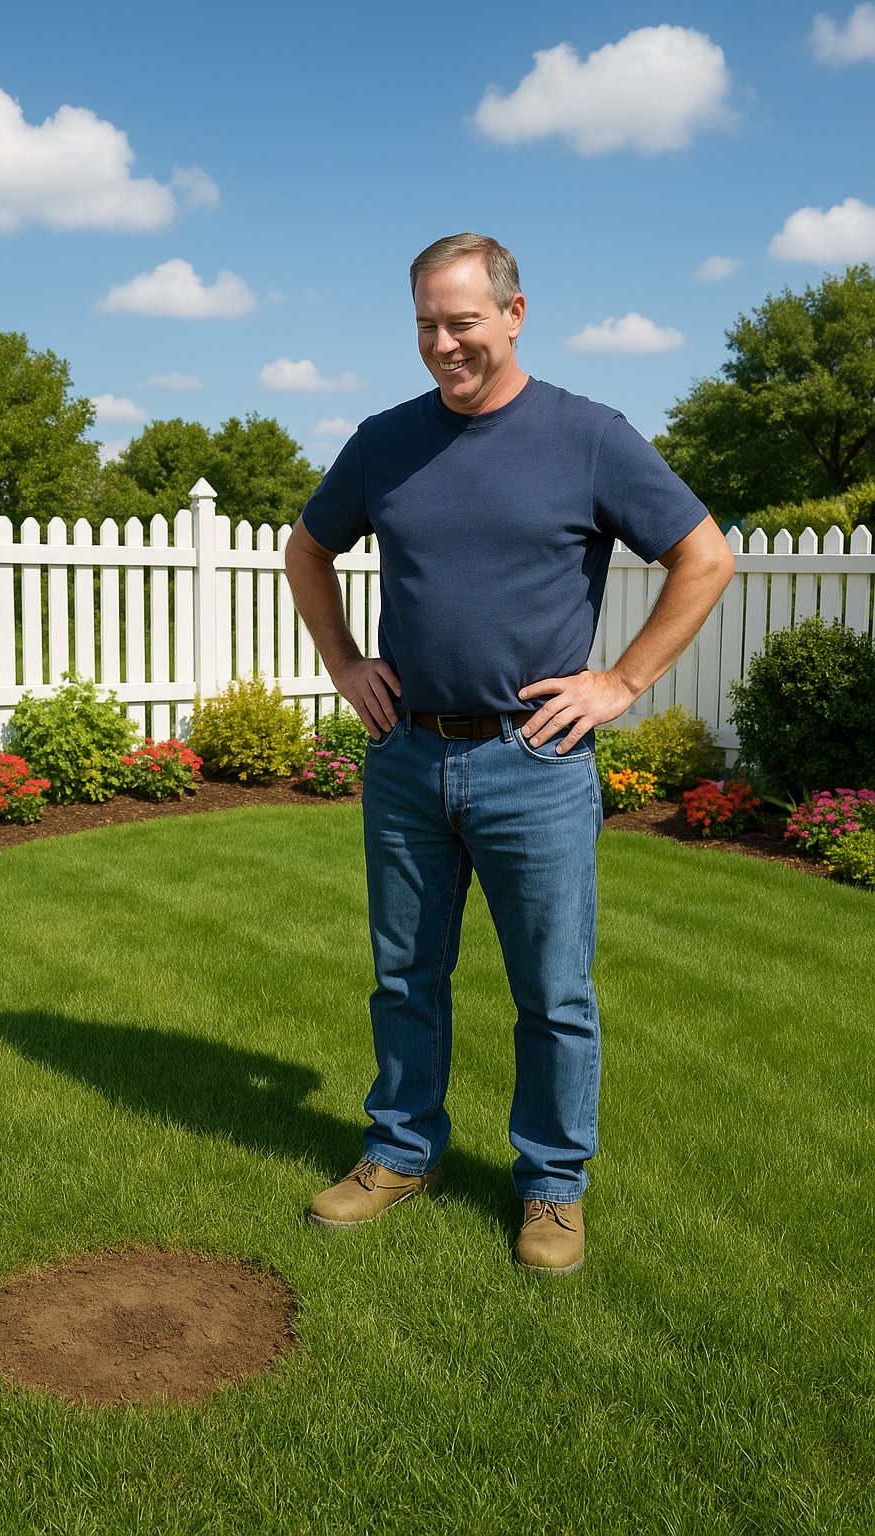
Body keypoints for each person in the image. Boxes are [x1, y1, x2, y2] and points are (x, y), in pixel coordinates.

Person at [284, 233, 733, 1274]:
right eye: (426, 326)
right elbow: (308, 548)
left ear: (515, 314)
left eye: (463, 322)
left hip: (531, 761)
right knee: (405, 978)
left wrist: (618, 683)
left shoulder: (587, 438)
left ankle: (550, 1187)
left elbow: (703, 556)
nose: (444, 344)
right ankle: (400, 1154)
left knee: (552, 992)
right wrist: (347, 662)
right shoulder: (384, 442)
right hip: (405, 756)